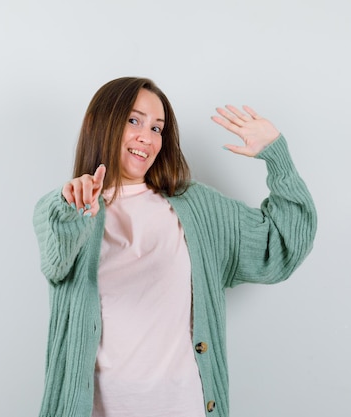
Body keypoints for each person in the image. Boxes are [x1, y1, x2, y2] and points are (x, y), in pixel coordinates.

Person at [32, 77, 317, 417]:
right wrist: (75, 210)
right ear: (101, 123)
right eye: (134, 121)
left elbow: (284, 243)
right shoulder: (65, 205)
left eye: (157, 128)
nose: (146, 137)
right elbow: (56, 260)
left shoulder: (199, 208)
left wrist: (276, 155)